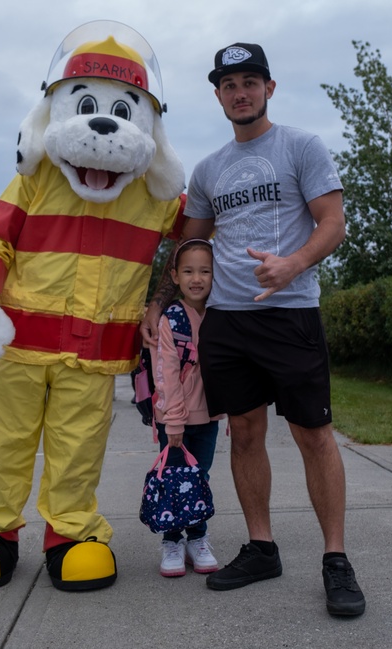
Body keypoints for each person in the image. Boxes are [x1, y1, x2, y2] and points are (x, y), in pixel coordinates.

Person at [140, 42, 366, 616]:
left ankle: (335, 560)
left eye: (250, 81)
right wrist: (158, 301)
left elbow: (333, 222)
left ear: (269, 88)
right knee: (244, 434)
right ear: (218, 96)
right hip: (228, 324)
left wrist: (293, 263)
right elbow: (186, 244)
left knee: (313, 435)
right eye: (229, 84)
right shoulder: (210, 168)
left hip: (289, 316)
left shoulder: (302, 146)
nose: (240, 92)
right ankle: (262, 546)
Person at [150, 238, 223, 577]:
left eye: (205, 271)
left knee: (199, 478)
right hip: (174, 420)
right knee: (174, 478)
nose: (197, 278)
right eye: (189, 271)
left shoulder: (220, 314)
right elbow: (166, 376)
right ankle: (171, 541)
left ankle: (197, 538)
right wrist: (174, 423)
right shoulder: (172, 320)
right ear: (176, 277)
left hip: (207, 417)